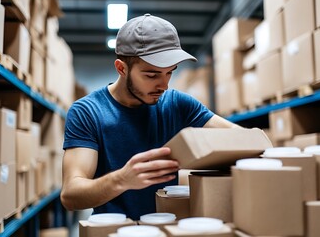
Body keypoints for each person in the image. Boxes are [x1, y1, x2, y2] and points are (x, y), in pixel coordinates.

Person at [61, 13, 241, 220]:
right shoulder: (87, 112)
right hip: (117, 231)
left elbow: (242, 139)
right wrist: (122, 179)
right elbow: (70, 195)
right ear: (121, 68)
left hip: (169, 229)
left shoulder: (178, 105)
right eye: (152, 75)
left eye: (169, 72)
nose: (164, 85)